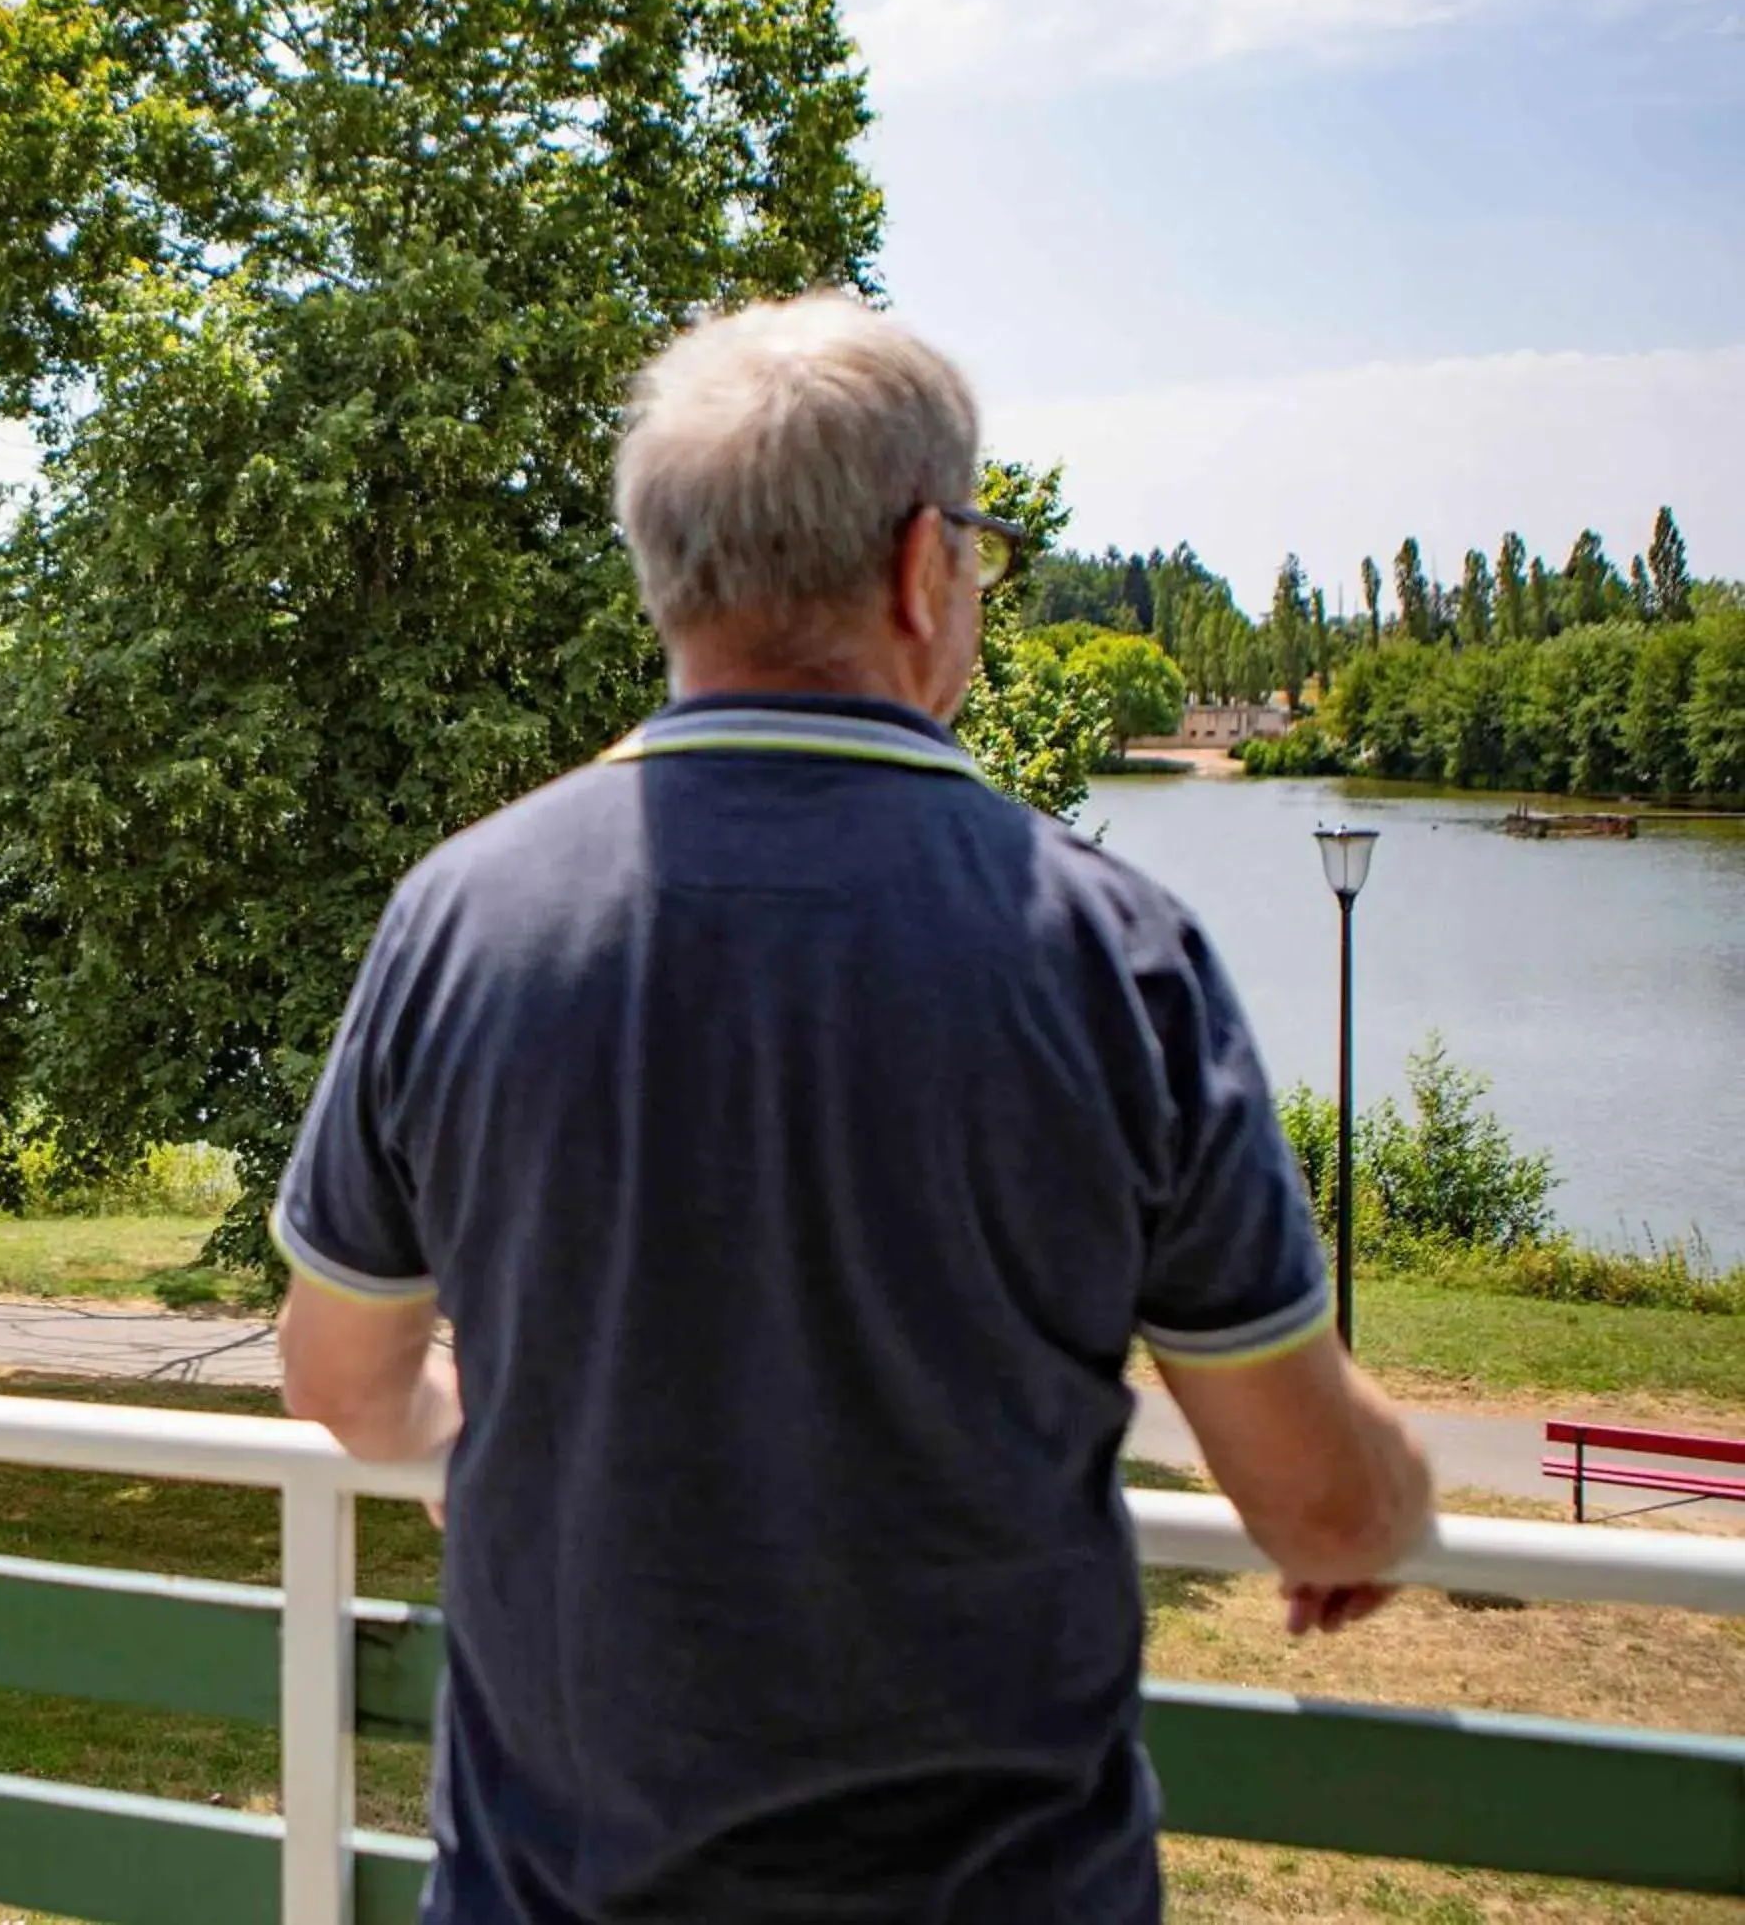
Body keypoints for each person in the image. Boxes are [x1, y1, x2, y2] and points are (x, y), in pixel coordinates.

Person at [272, 296, 1435, 1924]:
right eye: (984, 546)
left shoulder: (459, 918)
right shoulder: (1112, 953)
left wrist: (483, 1427)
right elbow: (1317, 1498)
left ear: (668, 571)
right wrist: (1394, 1495)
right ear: (920, 565)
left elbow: (339, 1375)